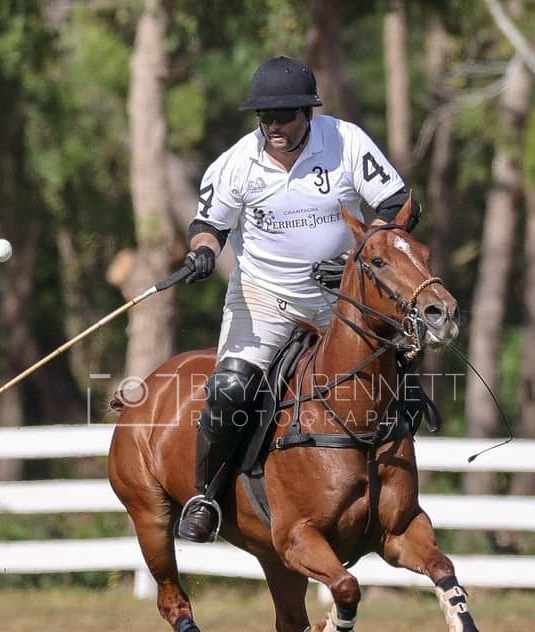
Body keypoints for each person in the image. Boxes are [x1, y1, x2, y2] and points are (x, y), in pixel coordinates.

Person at [175, 54, 421, 543]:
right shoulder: (237, 163)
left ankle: (395, 490)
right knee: (229, 392)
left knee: (400, 375)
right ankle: (207, 493)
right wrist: (203, 253)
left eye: (284, 116)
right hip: (264, 298)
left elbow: (399, 204)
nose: (273, 127)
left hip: (341, 301)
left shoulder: (345, 142)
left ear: (308, 113)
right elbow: (208, 225)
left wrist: (358, 259)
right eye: (265, 118)